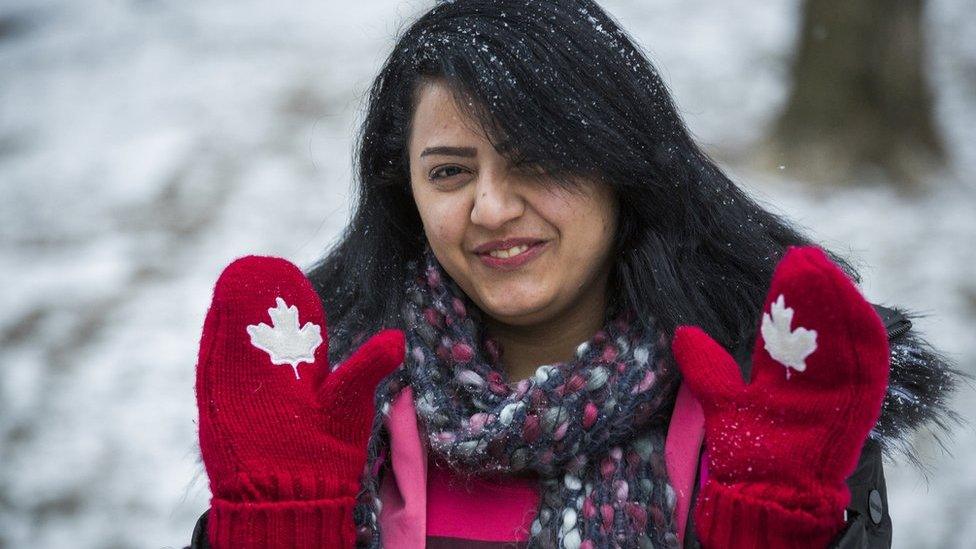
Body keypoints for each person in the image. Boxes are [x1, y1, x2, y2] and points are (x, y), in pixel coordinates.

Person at [184, 1, 964, 547]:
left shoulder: (772, 404)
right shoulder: (324, 418)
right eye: (451, 172)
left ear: (621, 167)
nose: (491, 207)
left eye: (538, 161)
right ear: (407, 191)